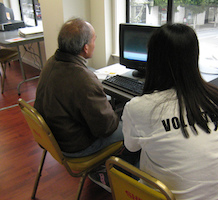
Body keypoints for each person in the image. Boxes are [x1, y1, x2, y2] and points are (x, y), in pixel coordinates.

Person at [122, 23, 218, 200]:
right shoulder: (217, 99)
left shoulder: (139, 107)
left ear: (153, 59)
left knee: (136, 156)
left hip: (162, 196)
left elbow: (131, 146)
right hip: (214, 197)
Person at [34, 18, 139, 191]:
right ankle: (116, 174)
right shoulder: (83, 79)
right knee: (134, 129)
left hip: (56, 138)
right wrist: (120, 113)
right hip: (75, 146)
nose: (95, 43)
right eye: (94, 39)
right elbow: (106, 128)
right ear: (85, 48)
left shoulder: (51, 62)